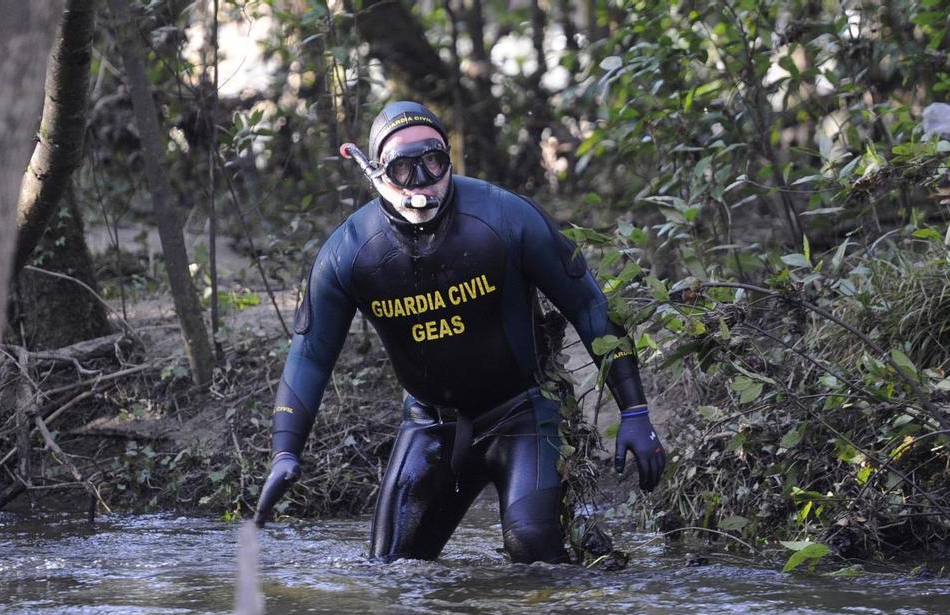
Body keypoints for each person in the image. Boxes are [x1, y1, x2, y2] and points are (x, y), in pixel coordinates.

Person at [254, 101, 666, 564]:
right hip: (431, 423)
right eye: (403, 168)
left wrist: (635, 410)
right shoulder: (349, 252)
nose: (423, 181)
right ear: (375, 173)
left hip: (523, 411)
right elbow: (310, 355)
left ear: (450, 158)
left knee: (532, 546)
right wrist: (285, 451)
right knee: (392, 570)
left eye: (434, 161)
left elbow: (588, 304)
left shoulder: (505, 217)